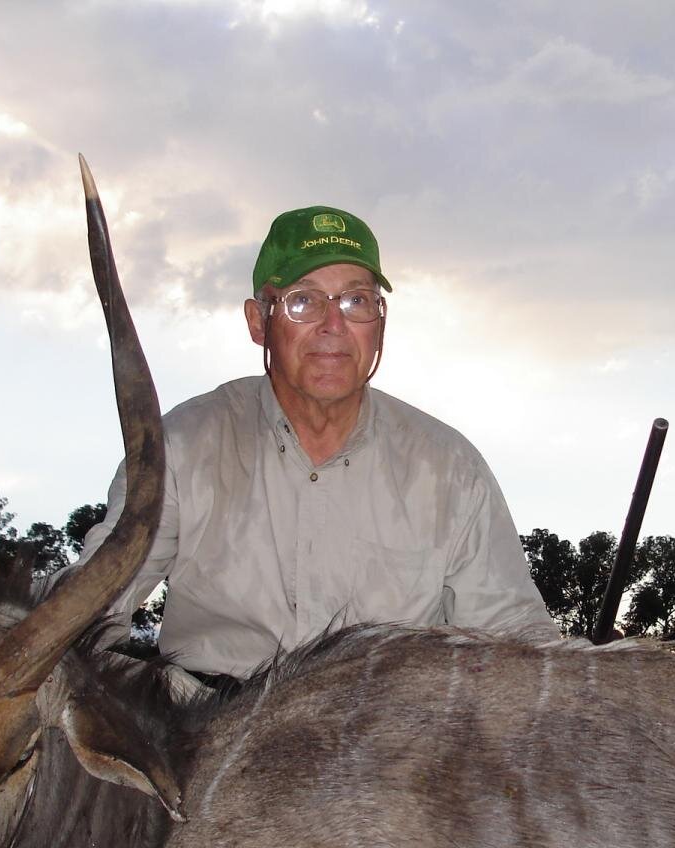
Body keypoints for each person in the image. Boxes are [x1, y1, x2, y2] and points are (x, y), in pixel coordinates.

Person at [77, 204, 558, 679]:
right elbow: (87, 611)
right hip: (205, 733)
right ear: (258, 321)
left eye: (356, 301)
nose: (334, 325)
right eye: (303, 301)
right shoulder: (182, 446)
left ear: (380, 321)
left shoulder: (450, 467)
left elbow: (516, 640)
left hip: (387, 741)